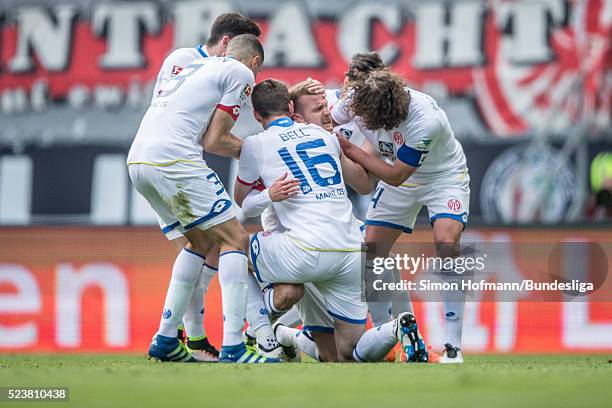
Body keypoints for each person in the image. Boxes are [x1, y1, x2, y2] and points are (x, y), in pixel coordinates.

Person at [128, 34, 276, 363]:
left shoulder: (192, 66)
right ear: (254, 63)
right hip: (174, 159)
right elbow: (215, 139)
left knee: (201, 242)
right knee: (235, 238)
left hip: (139, 159)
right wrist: (266, 154)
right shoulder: (241, 73)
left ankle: (166, 339)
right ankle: (235, 347)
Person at [332, 69, 470, 363]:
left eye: (372, 120)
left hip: (442, 177)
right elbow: (328, 119)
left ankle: (453, 346)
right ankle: (388, 338)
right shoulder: (357, 100)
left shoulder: (425, 121)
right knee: (373, 248)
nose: (365, 123)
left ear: (390, 113)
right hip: (401, 177)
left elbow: (395, 176)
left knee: (447, 243)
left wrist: (353, 152)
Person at [234, 79, 371, 361]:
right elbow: (363, 183)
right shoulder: (325, 135)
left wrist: (269, 195)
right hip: (351, 251)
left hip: (303, 252)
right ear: (291, 107)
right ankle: (394, 331)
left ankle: (255, 330)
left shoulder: (254, 145)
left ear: (257, 116)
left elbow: (243, 204)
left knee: (230, 245)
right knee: (345, 355)